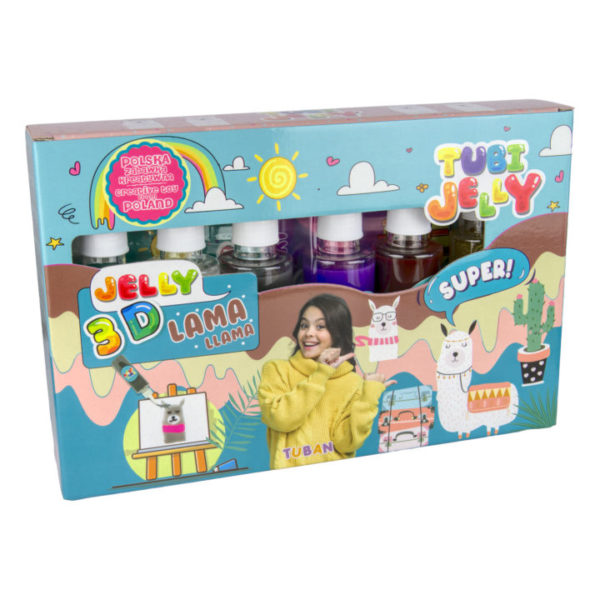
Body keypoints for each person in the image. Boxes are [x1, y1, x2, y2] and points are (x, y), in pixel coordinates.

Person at [258, 293, 396, 469]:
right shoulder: (277, 369)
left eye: (320, 326)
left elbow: (346, 443)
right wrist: (321, 373)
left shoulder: (352, 382)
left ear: (337, 332)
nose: (309, 333)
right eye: (304, 325)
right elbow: (281, 419)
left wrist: (368, 398)